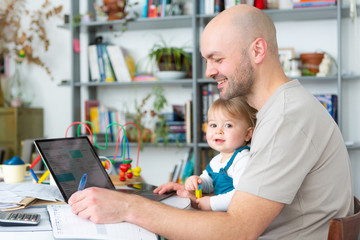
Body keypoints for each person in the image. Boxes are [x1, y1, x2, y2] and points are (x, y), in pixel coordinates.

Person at [69, 5, 354, 239]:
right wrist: (198, 193)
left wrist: (128, 206)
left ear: (257, 51)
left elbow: (237, 229)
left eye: (217, 59)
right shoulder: (279, 110)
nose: (209, 71)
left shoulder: (286, 117)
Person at [154, 96, 257, 211]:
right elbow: (209, 183)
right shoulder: (217, 160)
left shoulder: (242, 159)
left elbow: (241, 196)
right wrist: (197, 181)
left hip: (234, 215)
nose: (219, 131)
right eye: (213, 125)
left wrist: (211, 203)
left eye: (228, 125)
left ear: (248, 134)